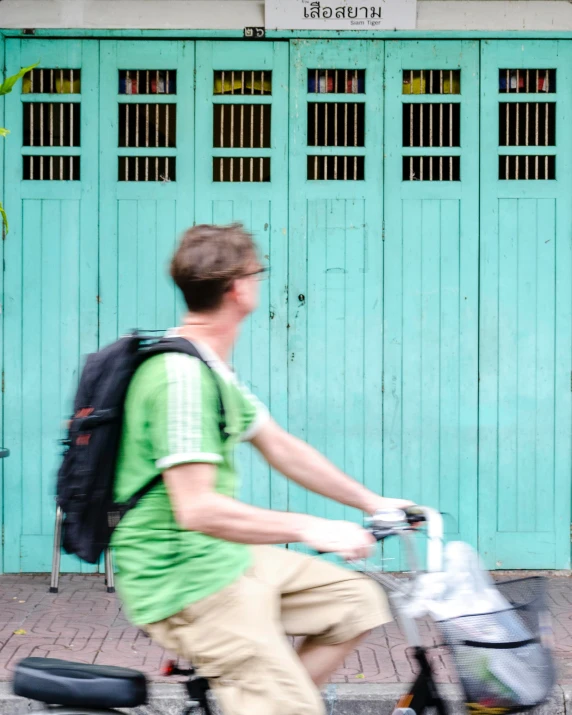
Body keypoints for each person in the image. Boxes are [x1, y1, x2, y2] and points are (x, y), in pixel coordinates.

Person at [112, 223, 414, 715]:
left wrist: (373, 503)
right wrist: (312, 526)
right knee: (291, 708)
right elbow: (198, 509)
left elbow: (281, 447)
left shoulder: (209, 367)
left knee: (356, 601)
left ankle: (256, 700)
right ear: (239, 287)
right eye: (259, 272)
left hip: (224, 559)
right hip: (185, 580)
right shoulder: (181, 379)